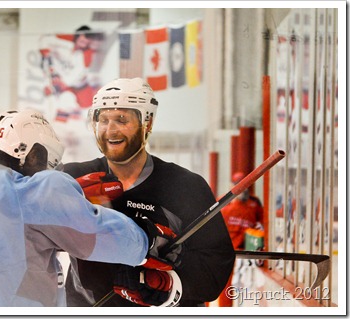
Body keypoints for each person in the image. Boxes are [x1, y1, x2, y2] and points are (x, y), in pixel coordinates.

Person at [0, 109, 179, 307]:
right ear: (29, 153)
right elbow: (93, 235)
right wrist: (147, 238)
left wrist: (74, 196)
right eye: (46, 160)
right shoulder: (33, 195)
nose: (47, 170)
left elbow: (22, 236)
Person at [63, 77, 236, 307]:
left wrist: (169, 284)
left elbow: (215, 266)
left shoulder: (186, 186)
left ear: (148, 123)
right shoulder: (73, 178)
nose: (110, 129)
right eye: (103, 119)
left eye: (121, 119)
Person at [217, 171, 264, 307]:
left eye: (245, 184)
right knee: (225, 286)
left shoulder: (254, 204)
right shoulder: (223, 202)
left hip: (246, 255)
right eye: (238, 184)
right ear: (232, 185)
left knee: (246, 289)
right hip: (226, 252)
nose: (242, 188)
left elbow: (262, 224)